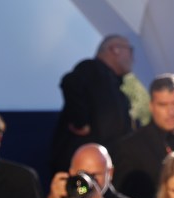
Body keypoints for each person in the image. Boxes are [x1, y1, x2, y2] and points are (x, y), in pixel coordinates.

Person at [50, 35, 134, 174]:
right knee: (82, 194)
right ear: (115, 49)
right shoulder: (91, 69)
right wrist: (80, 121)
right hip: (83, 167)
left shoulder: (114, 84)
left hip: (108, 166)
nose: (132, 57)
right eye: (130, 50)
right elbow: (70, 82)